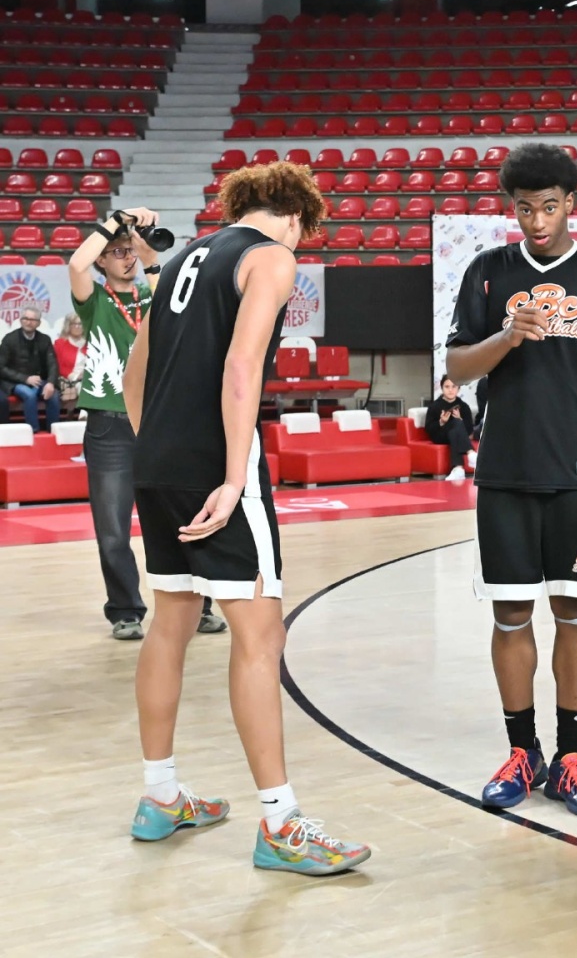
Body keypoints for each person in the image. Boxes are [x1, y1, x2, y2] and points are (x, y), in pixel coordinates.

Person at [124, 161, 369, 874]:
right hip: (214, 466)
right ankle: (281, 823)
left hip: (157, 461)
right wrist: (233, 475)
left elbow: (136, 373)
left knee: (169, 619)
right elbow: (242, 369)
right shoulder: (272, 256)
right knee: (261, 634)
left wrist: (157, 451)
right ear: (299, 215)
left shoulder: (177, 264)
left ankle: (160, 794)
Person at [445, 143, 577, 818]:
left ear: (571, 205)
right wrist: (505, 337)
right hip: (504, 469)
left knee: (575, 612)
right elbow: (459, 367)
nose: (537, 221)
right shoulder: (487, 272)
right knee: (510, 613)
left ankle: (570, 755)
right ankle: (522, 749)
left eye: (550, 207)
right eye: (525, 208)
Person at [68, 207, 227, 642]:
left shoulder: (150, 294)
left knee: (183, 517)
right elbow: (76, 265)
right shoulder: (96, 301)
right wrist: (113, 221)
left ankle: (199, 605)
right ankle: (125, 610)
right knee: (113, 530)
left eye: (128, 252)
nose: (124, 258)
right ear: (102, 258)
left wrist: (147, 253)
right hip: (109, 427)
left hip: (160, 421)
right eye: (115, 252)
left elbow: (175, 300)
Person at [1, 309, 60, 431]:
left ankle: (53, 431)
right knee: (29, 395)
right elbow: (1, 368)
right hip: (15, 382)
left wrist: (50, 383)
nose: (29, 322)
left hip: (39, 381)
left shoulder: (44, 339)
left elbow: (52, 364)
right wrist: (25, 379)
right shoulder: (9, 339)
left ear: (38, 323)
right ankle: (33, 431)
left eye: (33, 320)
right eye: (25, 319)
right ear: (20, 321)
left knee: (53, 394)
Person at [424, 376, 474, 481]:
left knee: (456, 424)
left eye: (453, 387)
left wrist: (460, 419)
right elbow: (428, 428)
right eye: (447, 387)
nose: (450, 390)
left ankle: (458, 469)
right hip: (439, 435)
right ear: (442, 388)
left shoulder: (464, 406)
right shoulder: (434, 406)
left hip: (455, 435)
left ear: (458, 389)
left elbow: (469, 430)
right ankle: (470, 453)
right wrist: (441, 422)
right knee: (455, 424)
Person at [53, 312, 85, 416]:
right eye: (73, 324)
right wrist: (75, 376)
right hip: (67, 379)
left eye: (80, 324)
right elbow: (58, 366)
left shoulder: (90, 342)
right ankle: (84, 414)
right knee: (84, 385)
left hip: (88, 377)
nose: (77, 327)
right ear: (68, 326)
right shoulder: (60, 344)